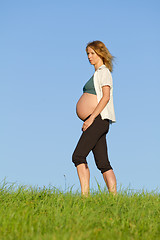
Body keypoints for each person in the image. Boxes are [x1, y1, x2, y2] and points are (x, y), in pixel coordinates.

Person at [72, 40, 117, 196]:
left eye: (92, 53)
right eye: (87, 54)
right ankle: (114, 199)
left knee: (78, 155)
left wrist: (91, 119)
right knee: (103, 163)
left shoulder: (104, 72)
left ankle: (85, 196)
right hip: (97, 120)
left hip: (97, 120)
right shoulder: (97, 73)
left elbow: (105, 97)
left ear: (100, 53)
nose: (89, 57)